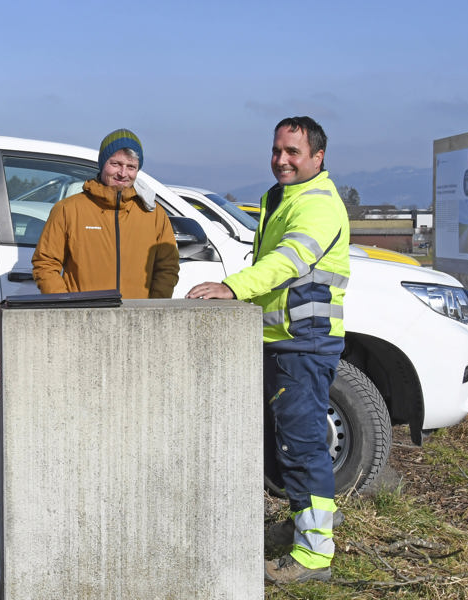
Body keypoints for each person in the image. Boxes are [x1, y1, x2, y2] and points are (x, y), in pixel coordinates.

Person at [186, 116, 350, 584]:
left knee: (302, 446)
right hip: (280, 341)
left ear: (318, 157)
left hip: (305, 342)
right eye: (277, 150)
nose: (281, 160)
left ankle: (315, 557)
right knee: (286, 445)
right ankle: (306, 524)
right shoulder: (280, 196)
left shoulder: (318, 204)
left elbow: (287, 262)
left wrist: (231, 288)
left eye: (293, 153)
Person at [31, 129, 179, 299]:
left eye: (131, 167)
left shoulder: (155, 215)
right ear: (102, 164)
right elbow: (45, 263)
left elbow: (168, 267)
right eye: (115, 164)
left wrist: (152, 309)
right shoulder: (67, 210)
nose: (123, 173)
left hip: (138, 320)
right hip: (83, 319)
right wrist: (66, 307)